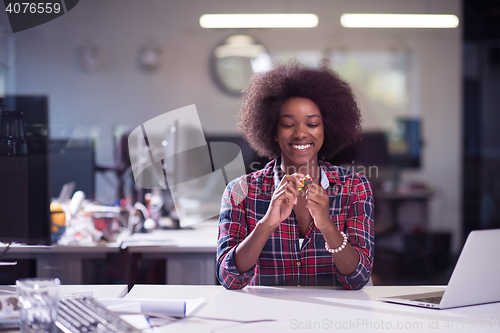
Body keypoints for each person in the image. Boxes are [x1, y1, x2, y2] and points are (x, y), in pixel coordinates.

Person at [216, 63, 374, 290]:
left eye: (312, 124)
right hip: (266, 320)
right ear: (273, 131)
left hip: (331, 320)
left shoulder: (355, 188)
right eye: (289, 124)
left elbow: (358, 278)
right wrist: (266, 224)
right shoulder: (240, 191)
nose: (300, 133)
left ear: (325, 129)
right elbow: (229, 278)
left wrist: (328, 227)